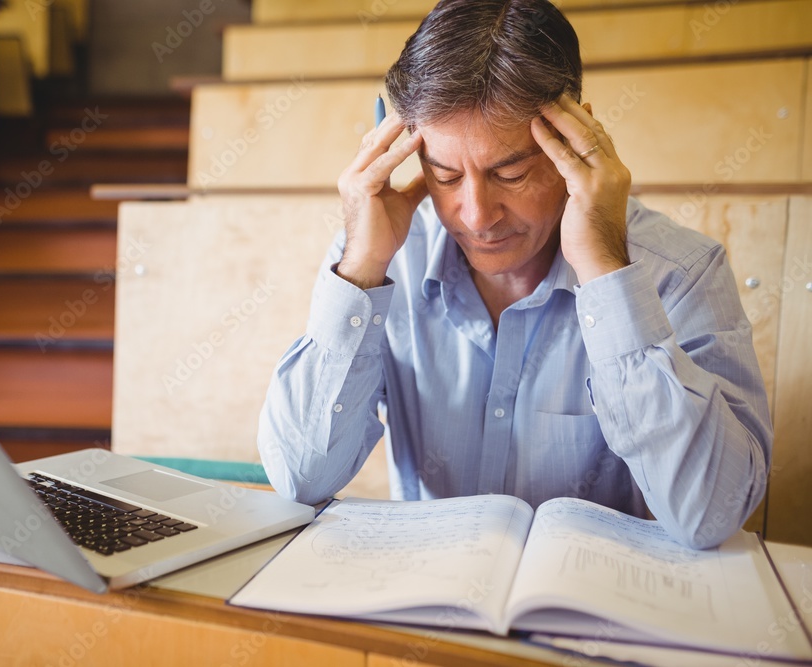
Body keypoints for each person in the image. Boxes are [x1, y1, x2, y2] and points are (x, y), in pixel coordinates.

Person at [257, 0, 771, 549]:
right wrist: (360, 271)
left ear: (579, 139)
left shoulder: (682, 274)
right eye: (445, 174)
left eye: (511, 172)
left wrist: (605, 275)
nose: (476, 216)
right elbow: (299, 478)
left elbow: (711, 516)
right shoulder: (378, 257)